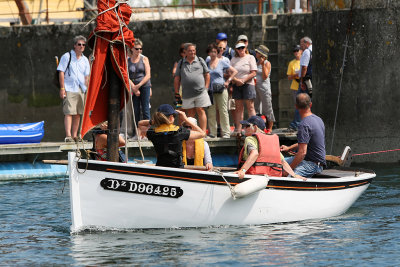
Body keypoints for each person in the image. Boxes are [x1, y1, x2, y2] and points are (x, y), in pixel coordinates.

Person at [235, 115, 305, 180]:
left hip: (255, 176)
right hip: (272, 176)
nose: (244, 128)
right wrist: (294, 175)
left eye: (247, 126)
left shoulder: (249, 139)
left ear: (255, 127)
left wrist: (243, 170)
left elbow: (254, 154)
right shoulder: (271, 141)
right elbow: (282, 161)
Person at [138, 104, 206, 168]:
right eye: (174, 116)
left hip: (160, 168)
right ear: (171, 118)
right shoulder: (179, 132)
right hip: (177, 169)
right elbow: (202, 133)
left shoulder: (153, 132)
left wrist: (153, 122)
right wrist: (186, 119)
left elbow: (140, 124)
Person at [280, 93, 326, 178]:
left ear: (296, 106)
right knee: (278, 162)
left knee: (289, 176)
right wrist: (289, 148)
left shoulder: (304, 125)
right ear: (310, 104)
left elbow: (302, 153)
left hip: (312, 165)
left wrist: (288, 170)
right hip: (312, 162)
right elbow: (305, 143)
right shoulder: (319, 120)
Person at [58, 35, 90, 142]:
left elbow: (87, 76)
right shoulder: (67, 56)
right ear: (74, 45)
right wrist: (62, 88)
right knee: (68, 112)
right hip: (69, 88)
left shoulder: (85, 59)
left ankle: (75, 135)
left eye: (83, 45)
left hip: (81, 89)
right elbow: (61, 72)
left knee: (78, 113)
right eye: (79, 44)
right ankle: (68, 136)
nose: (81, 46)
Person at [174, 43, 210, 132]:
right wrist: (176, 92)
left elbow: (207, 74)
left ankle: (203, 132)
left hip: (201, 91)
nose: (192, 52)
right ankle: (192, 132)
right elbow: (177, 78)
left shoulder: (201, 60)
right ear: (185, 52)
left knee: (200, 110)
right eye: (190, 51)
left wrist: (206, 88)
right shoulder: (181, 62)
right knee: (190, 113)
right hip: (186, 93)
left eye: (194, 50)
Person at [206, 43, 238, 138]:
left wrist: (228, 81)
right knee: (211, 111)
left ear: (217, 52)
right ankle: (213, 133)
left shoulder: (221, 62)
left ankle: (226, 133)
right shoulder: (207, 63)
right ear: (208, 53)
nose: (213, 54)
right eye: (211, 52)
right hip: (210, 90)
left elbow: (234, 71)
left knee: (223, 111)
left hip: (221, 88)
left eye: (215, 52)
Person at [230, 41, 257, 134]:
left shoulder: (250, 57)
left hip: (248, 84)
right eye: (239, 48)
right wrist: (237, 80)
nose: (241, 49)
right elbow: (230, 73)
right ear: (236, 50)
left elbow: (253, 72)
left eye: (242, 47)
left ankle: (253, 128)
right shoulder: (233, 59)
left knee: (250, 107)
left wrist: (243, 80)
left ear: (245, 48)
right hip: (236, 84)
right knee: (238, 108)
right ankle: (238, 129)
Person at [128, 38, 151, 134]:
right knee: (135, 109)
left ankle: (147, 132)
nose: (139, 51)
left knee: (145, 108)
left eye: (140, 49)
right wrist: (133, 87)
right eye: (137, 49)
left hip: (144, 85)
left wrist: (139, 85)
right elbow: (125, 74)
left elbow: (148, 74)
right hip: (132, 86)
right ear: (132, 49)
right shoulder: (127, 60)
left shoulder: (144, 59)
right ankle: (136, 132)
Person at [254, 45, 275, 133]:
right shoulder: (256, 62)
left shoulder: (267, 63)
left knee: (267, 107)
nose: (256, 53)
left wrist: (263, 65)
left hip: (264, 88)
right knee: (257, 108)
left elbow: (265, 76)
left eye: (258, 52)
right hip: (256, 88)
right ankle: (259, 126)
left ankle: (270, 128)